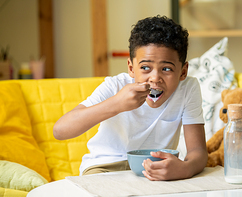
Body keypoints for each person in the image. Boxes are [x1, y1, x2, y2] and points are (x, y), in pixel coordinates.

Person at [53, 15, 207, 181]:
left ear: (183, 72)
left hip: (154, 170)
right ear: (131, 68)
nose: (155, 78)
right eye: (145, 67)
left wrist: (185, 168)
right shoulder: (115, 86)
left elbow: (198, 151)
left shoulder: (188, 89)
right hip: (104, 168)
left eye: (167, 69)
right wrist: (117, 104)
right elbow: (60, 130)